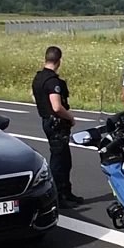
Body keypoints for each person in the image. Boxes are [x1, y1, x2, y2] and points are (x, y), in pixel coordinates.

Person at [31, 45, 83, 205]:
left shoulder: (38, 78)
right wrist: (71, 118)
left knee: (65, 160)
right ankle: (59, 196)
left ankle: (66, 192)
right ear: (59, 61)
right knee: (59, 162)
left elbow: (35, 97)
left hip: (48, 121)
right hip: (56, 125)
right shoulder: (53, 81)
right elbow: (57, 107)